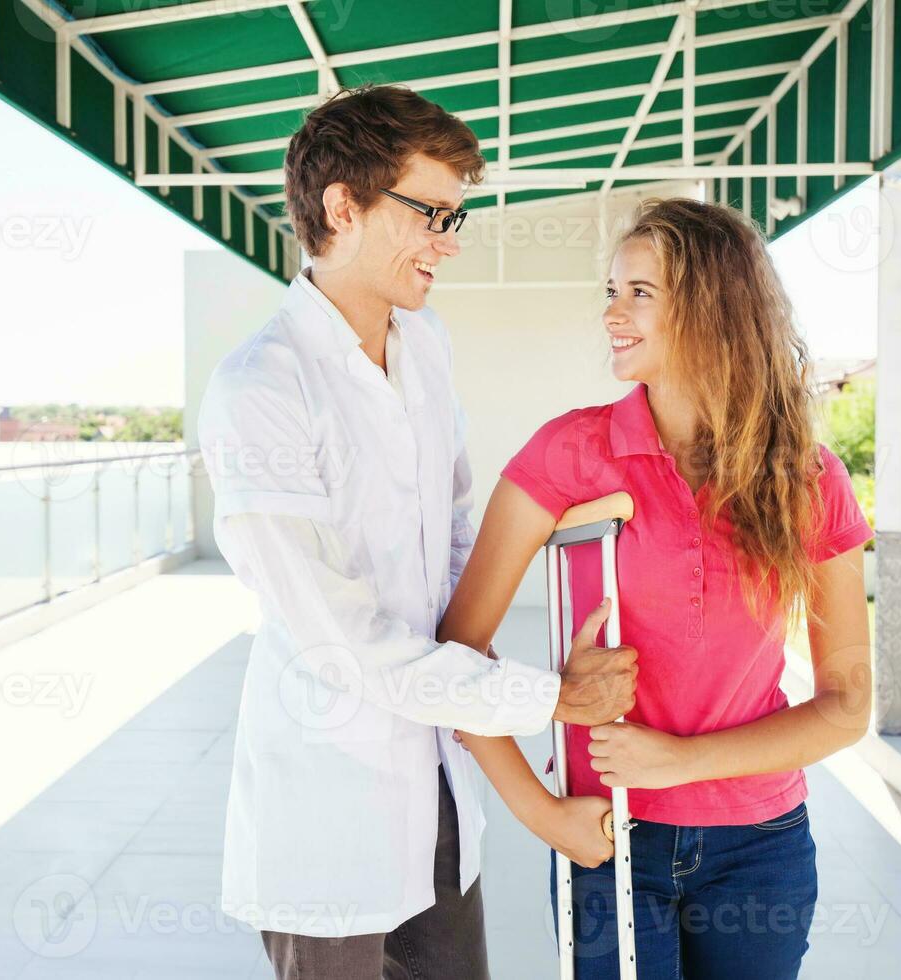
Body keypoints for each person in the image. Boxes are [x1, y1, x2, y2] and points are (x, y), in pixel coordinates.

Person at [195, 84, 636, 980]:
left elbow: (459, 532)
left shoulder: (424, 345)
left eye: (457, 214)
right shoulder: (261, 391)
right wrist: (549, 698)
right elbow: (345, 646)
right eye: (431, 212)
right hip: (327, 822)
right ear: (341, 207)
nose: (451, 240)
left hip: (436, 798)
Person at [438, 197, 875, 980]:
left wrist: (677, 760)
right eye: (611, 290)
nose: (612, 312)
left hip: (762, 848)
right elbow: (458, 651)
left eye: (640, 292)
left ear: (714, 306)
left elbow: (845, 706)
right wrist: (542, 817)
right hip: (610, 837)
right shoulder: (571, 450)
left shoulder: (808, 478)